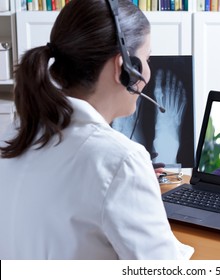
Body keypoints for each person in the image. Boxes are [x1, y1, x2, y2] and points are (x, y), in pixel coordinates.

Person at [0, 0, 193, 260]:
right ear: (124, 68)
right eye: (147, 59)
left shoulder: (13, 133)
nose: (148, 70)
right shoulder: (121, 161)